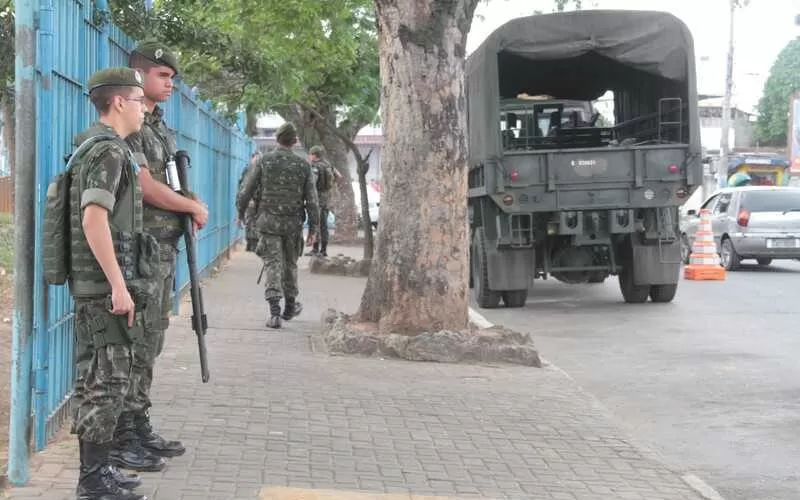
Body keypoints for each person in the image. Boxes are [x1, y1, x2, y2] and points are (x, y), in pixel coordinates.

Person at [107, 40, 209, 469]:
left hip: (161, 252)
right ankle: (120, 436)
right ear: (140, 75)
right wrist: (189, 206)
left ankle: (138, 423)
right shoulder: (131, 125)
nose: (170, 84)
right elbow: (145, 186)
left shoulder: (158, 126)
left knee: (151, 342)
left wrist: (188, 199)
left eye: (172, 77)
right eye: (163, 76)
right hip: (139, 251)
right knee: (133, 345)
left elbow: (168, 180)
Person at [68, 67, 154, 500]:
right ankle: (92, 481)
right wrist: (119, 286)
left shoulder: (92, 147)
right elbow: (93, 218)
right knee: (108, 382)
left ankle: (97, 471)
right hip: (104, 291)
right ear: (119, 102)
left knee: (96, 380)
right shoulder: (110, 153)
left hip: (93, 288)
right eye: (139, 101)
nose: (144, 109)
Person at [237, 123, 319, 329]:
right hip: (292, 224)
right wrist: (314, 228)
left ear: (277, 139)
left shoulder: (264, 161)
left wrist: (240, 213)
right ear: (294, 141)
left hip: (268, 221)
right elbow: (312, 200)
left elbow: (246, 190)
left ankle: (274, 314)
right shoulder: (303, 165)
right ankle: (290, 307)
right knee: (290, 264)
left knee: (273, 263)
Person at [305, 145, 341, 257]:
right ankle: (323, 250)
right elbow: (339, 176)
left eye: (310, 154)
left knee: (315, 223)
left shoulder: (315, 166)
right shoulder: (328, 164)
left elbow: (312, 183)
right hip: (327, 198)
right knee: (324, 225)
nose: (309, 156)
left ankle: (315, 249)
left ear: (314, 155)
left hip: (317, 198)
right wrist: (329, 186)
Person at [239, 151, 262, 252]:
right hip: (250, 198)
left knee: (255, 220)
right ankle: (251, 243)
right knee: (250, 220)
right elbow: (242, 185)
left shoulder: (261, 169)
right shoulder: (247, 169)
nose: (256, 160)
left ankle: (255, 243)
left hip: (258, 198)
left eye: (258, 158)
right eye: (254, 158)